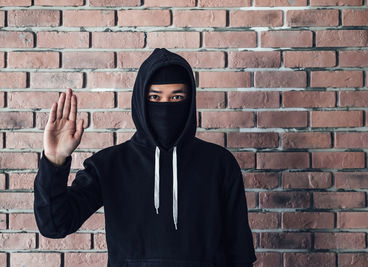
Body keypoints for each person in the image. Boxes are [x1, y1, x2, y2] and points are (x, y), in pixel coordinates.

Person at [34, 48, 257, 267]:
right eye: (155, 97)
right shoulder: (109, 165)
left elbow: (240, 254)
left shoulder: (219, 164)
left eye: (176, 97)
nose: (165, 106)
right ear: (141, 101)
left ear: (189, 103)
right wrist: (54, 161)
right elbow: (55, 225)